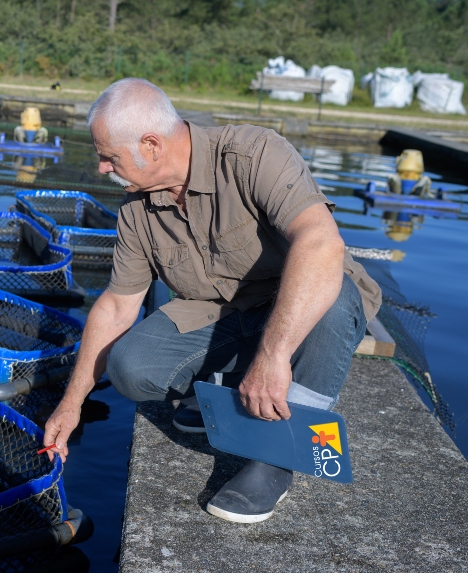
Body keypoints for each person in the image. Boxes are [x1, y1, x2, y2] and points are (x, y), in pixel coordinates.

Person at [42, 78, 381, 523]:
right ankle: (233, 393)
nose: (103, 167)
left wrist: (275, 356)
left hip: (302, 310)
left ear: (151, 144)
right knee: (130, 367)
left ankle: (279, 455)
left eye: (109, 156)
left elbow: (321, 243)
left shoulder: (253, 153)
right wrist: (72, 404)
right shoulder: (135, 211)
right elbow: (117, 306)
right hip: (229, 315)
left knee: (334, 307)